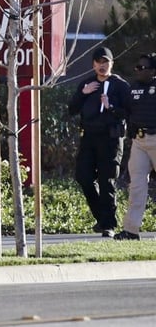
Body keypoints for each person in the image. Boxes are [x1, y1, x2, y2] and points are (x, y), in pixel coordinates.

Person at [67, 46, 131, 238]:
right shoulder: (86, 84)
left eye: (105, 62)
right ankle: (102, 218)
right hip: (89, 137)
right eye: (98, 62)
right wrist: (83, 93)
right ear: (93, 64)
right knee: (83, 177)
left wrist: (111, 107)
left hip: (111, 138)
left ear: (112, 63)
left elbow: (128, 112)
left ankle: (108, 225)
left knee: (107, 180)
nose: (102, 66)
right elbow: (72, 109)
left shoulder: (120, 86)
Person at [115, 53, 156, 240]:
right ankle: (131, 230)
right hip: (139, 142)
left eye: (142, 68)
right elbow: (127, 111)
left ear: (153, 71)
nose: (138, 70)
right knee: (137, 186)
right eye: (137, 67)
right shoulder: (134, 88)